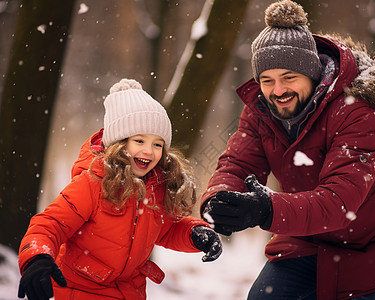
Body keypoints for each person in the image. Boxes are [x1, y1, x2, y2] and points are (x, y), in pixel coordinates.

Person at [200, 1, 375, 299]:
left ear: (313, 73)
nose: (277, 90)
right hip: (309, 238)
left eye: (289, 77)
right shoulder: (261, 111)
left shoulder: (358, 113)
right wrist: (218, 201)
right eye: (267, 80)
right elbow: (237, 165)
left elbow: (339, 202)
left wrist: (266, 210)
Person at [18, 78, 222, 300]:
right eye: (139, 141)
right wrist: (37, 257)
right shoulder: (93, 184)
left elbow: (165, 228)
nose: (148, 151)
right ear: (119, 143)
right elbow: (50, 223)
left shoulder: (156, 188)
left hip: (129, 292)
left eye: (157, 144)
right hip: (79, 290)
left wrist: (194, 234)